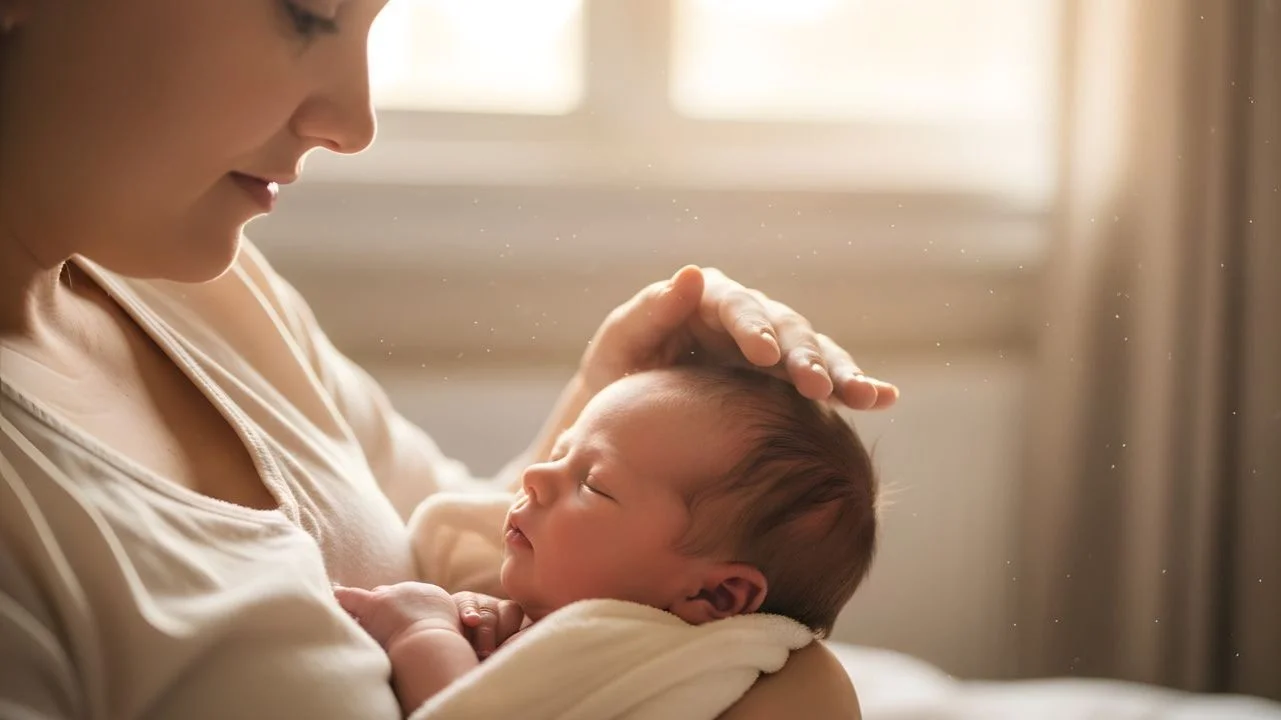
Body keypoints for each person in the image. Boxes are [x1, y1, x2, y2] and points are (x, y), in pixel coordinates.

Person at [0, 1, 897, 718]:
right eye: (309, 15)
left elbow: (453, 550)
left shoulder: (208, 291)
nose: (352, 123)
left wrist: (605, 396)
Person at [335, 364, 880, 714]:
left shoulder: (632, 646)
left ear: (716, 597)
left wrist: (423, 630)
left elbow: (461, 709)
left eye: (592, 484)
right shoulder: (616, 645)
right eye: (558, 455)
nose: (534, 478)